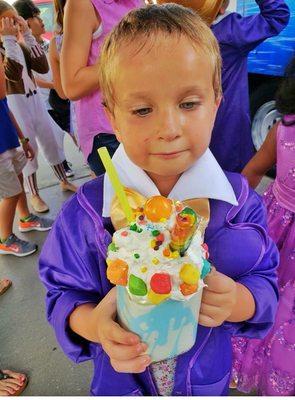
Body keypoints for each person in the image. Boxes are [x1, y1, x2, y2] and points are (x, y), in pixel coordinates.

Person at [39, 5, 279, 396]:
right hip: (121, 384)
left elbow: (265, 280)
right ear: (112, 116)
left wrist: (240, 301)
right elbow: (62, 295)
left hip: (206, 381)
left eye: (188, 104)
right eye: (142, 109)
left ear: (216, 101)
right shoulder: (85, 213)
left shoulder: (240, 205)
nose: (168, 128)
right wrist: (95, 325)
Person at [157, 0, 290, 173]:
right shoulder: (231, 32)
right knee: (229, 184)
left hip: (189, 124)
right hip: (227, 128)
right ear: (218, 6)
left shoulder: (173, 34)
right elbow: (277, 15)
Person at [231, 57, 295, 396]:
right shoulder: (284, 128)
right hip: (276, 227)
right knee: (274, 305)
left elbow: (252, 172)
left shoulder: (284, 128)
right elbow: (251, 172)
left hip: (276, 224)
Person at [0, 1, 76, 214]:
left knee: (51, 140)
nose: (13, 26)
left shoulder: (20, 45)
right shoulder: (5, 49)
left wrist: (27, 35)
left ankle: (63, 179)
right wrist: (8, 39)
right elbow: (12, 74)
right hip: (17, 105)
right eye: (8, 21)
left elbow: (42, 66)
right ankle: (34, 194)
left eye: (15, 20)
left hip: (34, 101)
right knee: (29, 152)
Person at [60, 0, 144, 176]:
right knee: (129, 202)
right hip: (108, 133)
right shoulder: (82, 5)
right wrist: (125, 57)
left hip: (143, 119)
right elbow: (72, 85)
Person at [13, 0, 75, 178]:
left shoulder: (47, 42)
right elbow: (30, 76)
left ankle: (65, 173)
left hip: (57, 96)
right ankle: (58, 175)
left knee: (64, 134)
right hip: (44, 101)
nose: (40, 20)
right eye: (34, 16)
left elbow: (49, 67)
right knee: (51, 139)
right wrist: (55, 85)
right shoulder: (20, 48)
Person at [0, 55, 52, 257]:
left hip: (9, 141)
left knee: (19, 179)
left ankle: (26, 218)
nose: (3, 75)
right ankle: (5, 239)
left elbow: (6, 107)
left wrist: (22, 139)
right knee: (10, 193)